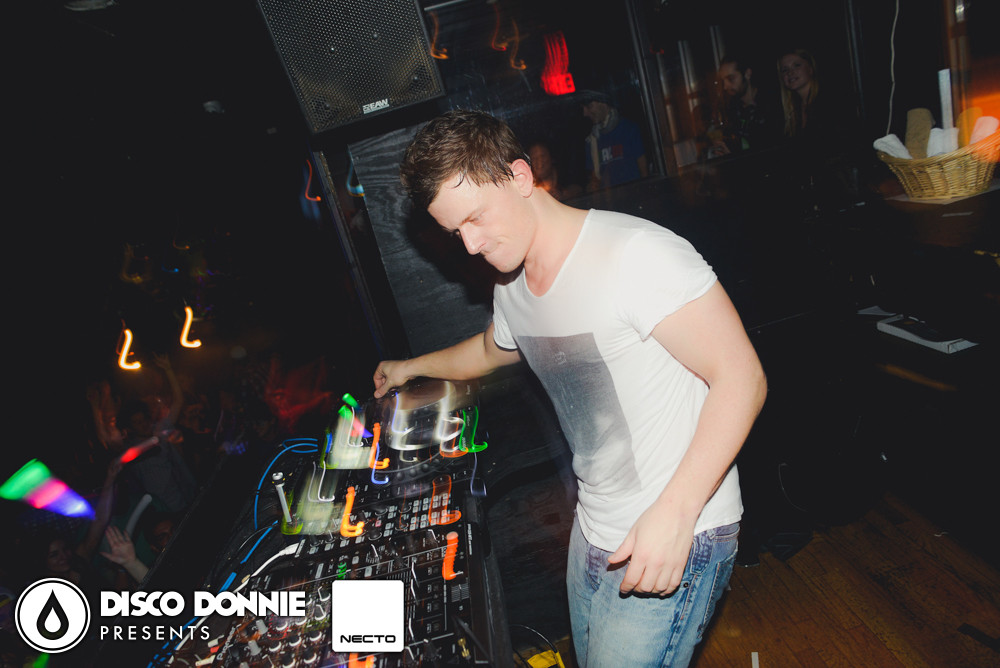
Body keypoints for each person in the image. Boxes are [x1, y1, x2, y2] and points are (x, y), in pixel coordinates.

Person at [375, 109, 767, 666]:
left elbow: (742, 377)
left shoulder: (635, 254)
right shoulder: (512, 284)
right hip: (594, 527)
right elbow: (488, 351)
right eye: (456, 231)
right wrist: (410, 366)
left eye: (476, 218)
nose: (471, 244)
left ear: (520, 177)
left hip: (680, 524)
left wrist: (676, 513)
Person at [712, 55, 781, 155]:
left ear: (747, 74)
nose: (725, 86)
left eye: (731, 79)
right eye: (723, 81)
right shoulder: (731, 109)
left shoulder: (771, 105)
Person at [579, 91, 648, 191]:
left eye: (589, 106)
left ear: (604, 103)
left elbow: (644, 170)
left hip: (634, 194)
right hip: (609, 198)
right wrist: (592, 186)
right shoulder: (592, 140)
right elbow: (595, 177)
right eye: (583, 108)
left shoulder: (629, 129)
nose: (585, 113)